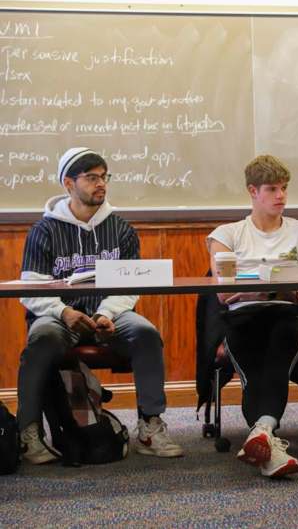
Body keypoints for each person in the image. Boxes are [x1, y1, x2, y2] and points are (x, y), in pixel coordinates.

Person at [18, 147, 183, 464]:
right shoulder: (44, 230)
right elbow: (31, 289)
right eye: (92, 177)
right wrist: (64, 312)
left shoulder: (121, 229)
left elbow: (131, 284)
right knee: (41, 339)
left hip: (110, 314)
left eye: (104, 177)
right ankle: (29, 433)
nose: (101, 184)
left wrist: (106, 313)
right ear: (69, 183)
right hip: (60, 316)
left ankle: (150, 425)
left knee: (146, 334)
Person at [206, 154, 298, 478]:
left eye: (284, 188)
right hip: (242, 317)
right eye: (272, 189)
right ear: (253, 191)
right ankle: (267, 438)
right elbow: (224, 295)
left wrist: (257, 290)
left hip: (287, 315)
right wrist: (273, 289)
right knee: (254, 365)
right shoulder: (226, 235)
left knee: (281, 337)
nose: (281, 195)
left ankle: (262, 435)